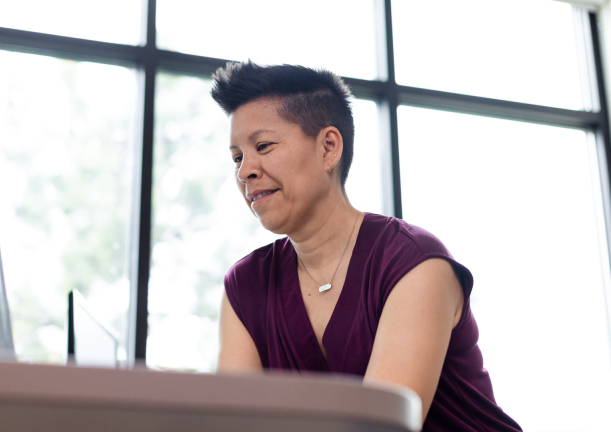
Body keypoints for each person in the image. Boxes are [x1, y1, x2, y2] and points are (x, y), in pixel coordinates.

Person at [211, 61, 521, 431]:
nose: (245, 171)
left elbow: (381, 427)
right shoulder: (246, 285)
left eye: (263, 145)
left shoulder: (414, 262)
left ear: (328, 147)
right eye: (237, 157)